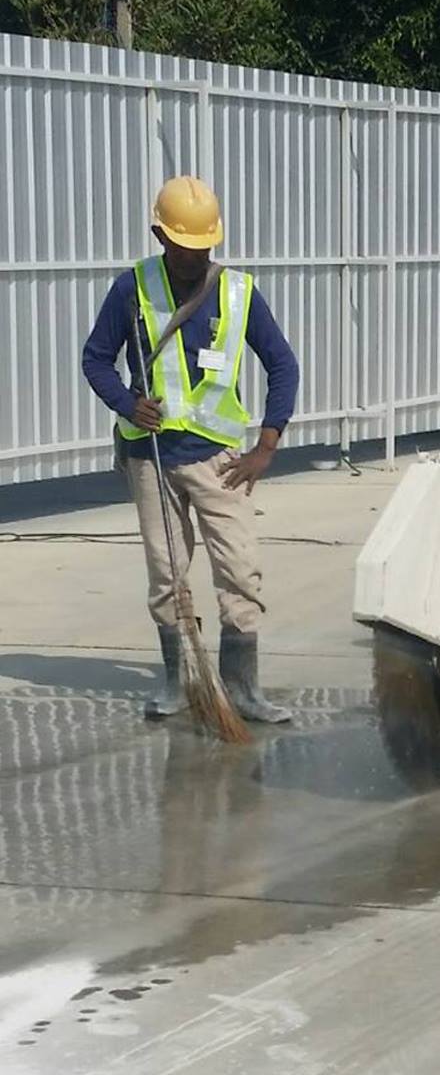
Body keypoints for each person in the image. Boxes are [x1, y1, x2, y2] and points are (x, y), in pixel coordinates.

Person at [82, 176, 300, 724]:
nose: (194, 257)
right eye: (183, 246)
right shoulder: (132, 288)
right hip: (152, 458)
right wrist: (128, 405)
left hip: (220, 462)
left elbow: (282, 364)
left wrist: (267, 444)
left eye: (203, 247)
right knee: (167, 576)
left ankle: (242, 689)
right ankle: (181, 682)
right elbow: (95, 359)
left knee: (240, 572)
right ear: (160, 236)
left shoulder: (238, 291)